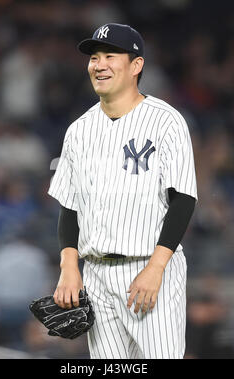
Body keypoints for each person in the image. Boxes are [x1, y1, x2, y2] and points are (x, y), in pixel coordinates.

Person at [48, 23, 197, 359]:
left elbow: (183, 199)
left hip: (150, 267)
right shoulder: (79, 131)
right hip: (96, 273)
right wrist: (69, 267)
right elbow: (70, 207)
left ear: (135, 66)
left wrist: (157, 268)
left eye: (110, 56)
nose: (99, 64)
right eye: (94, 58)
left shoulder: (166, 121)